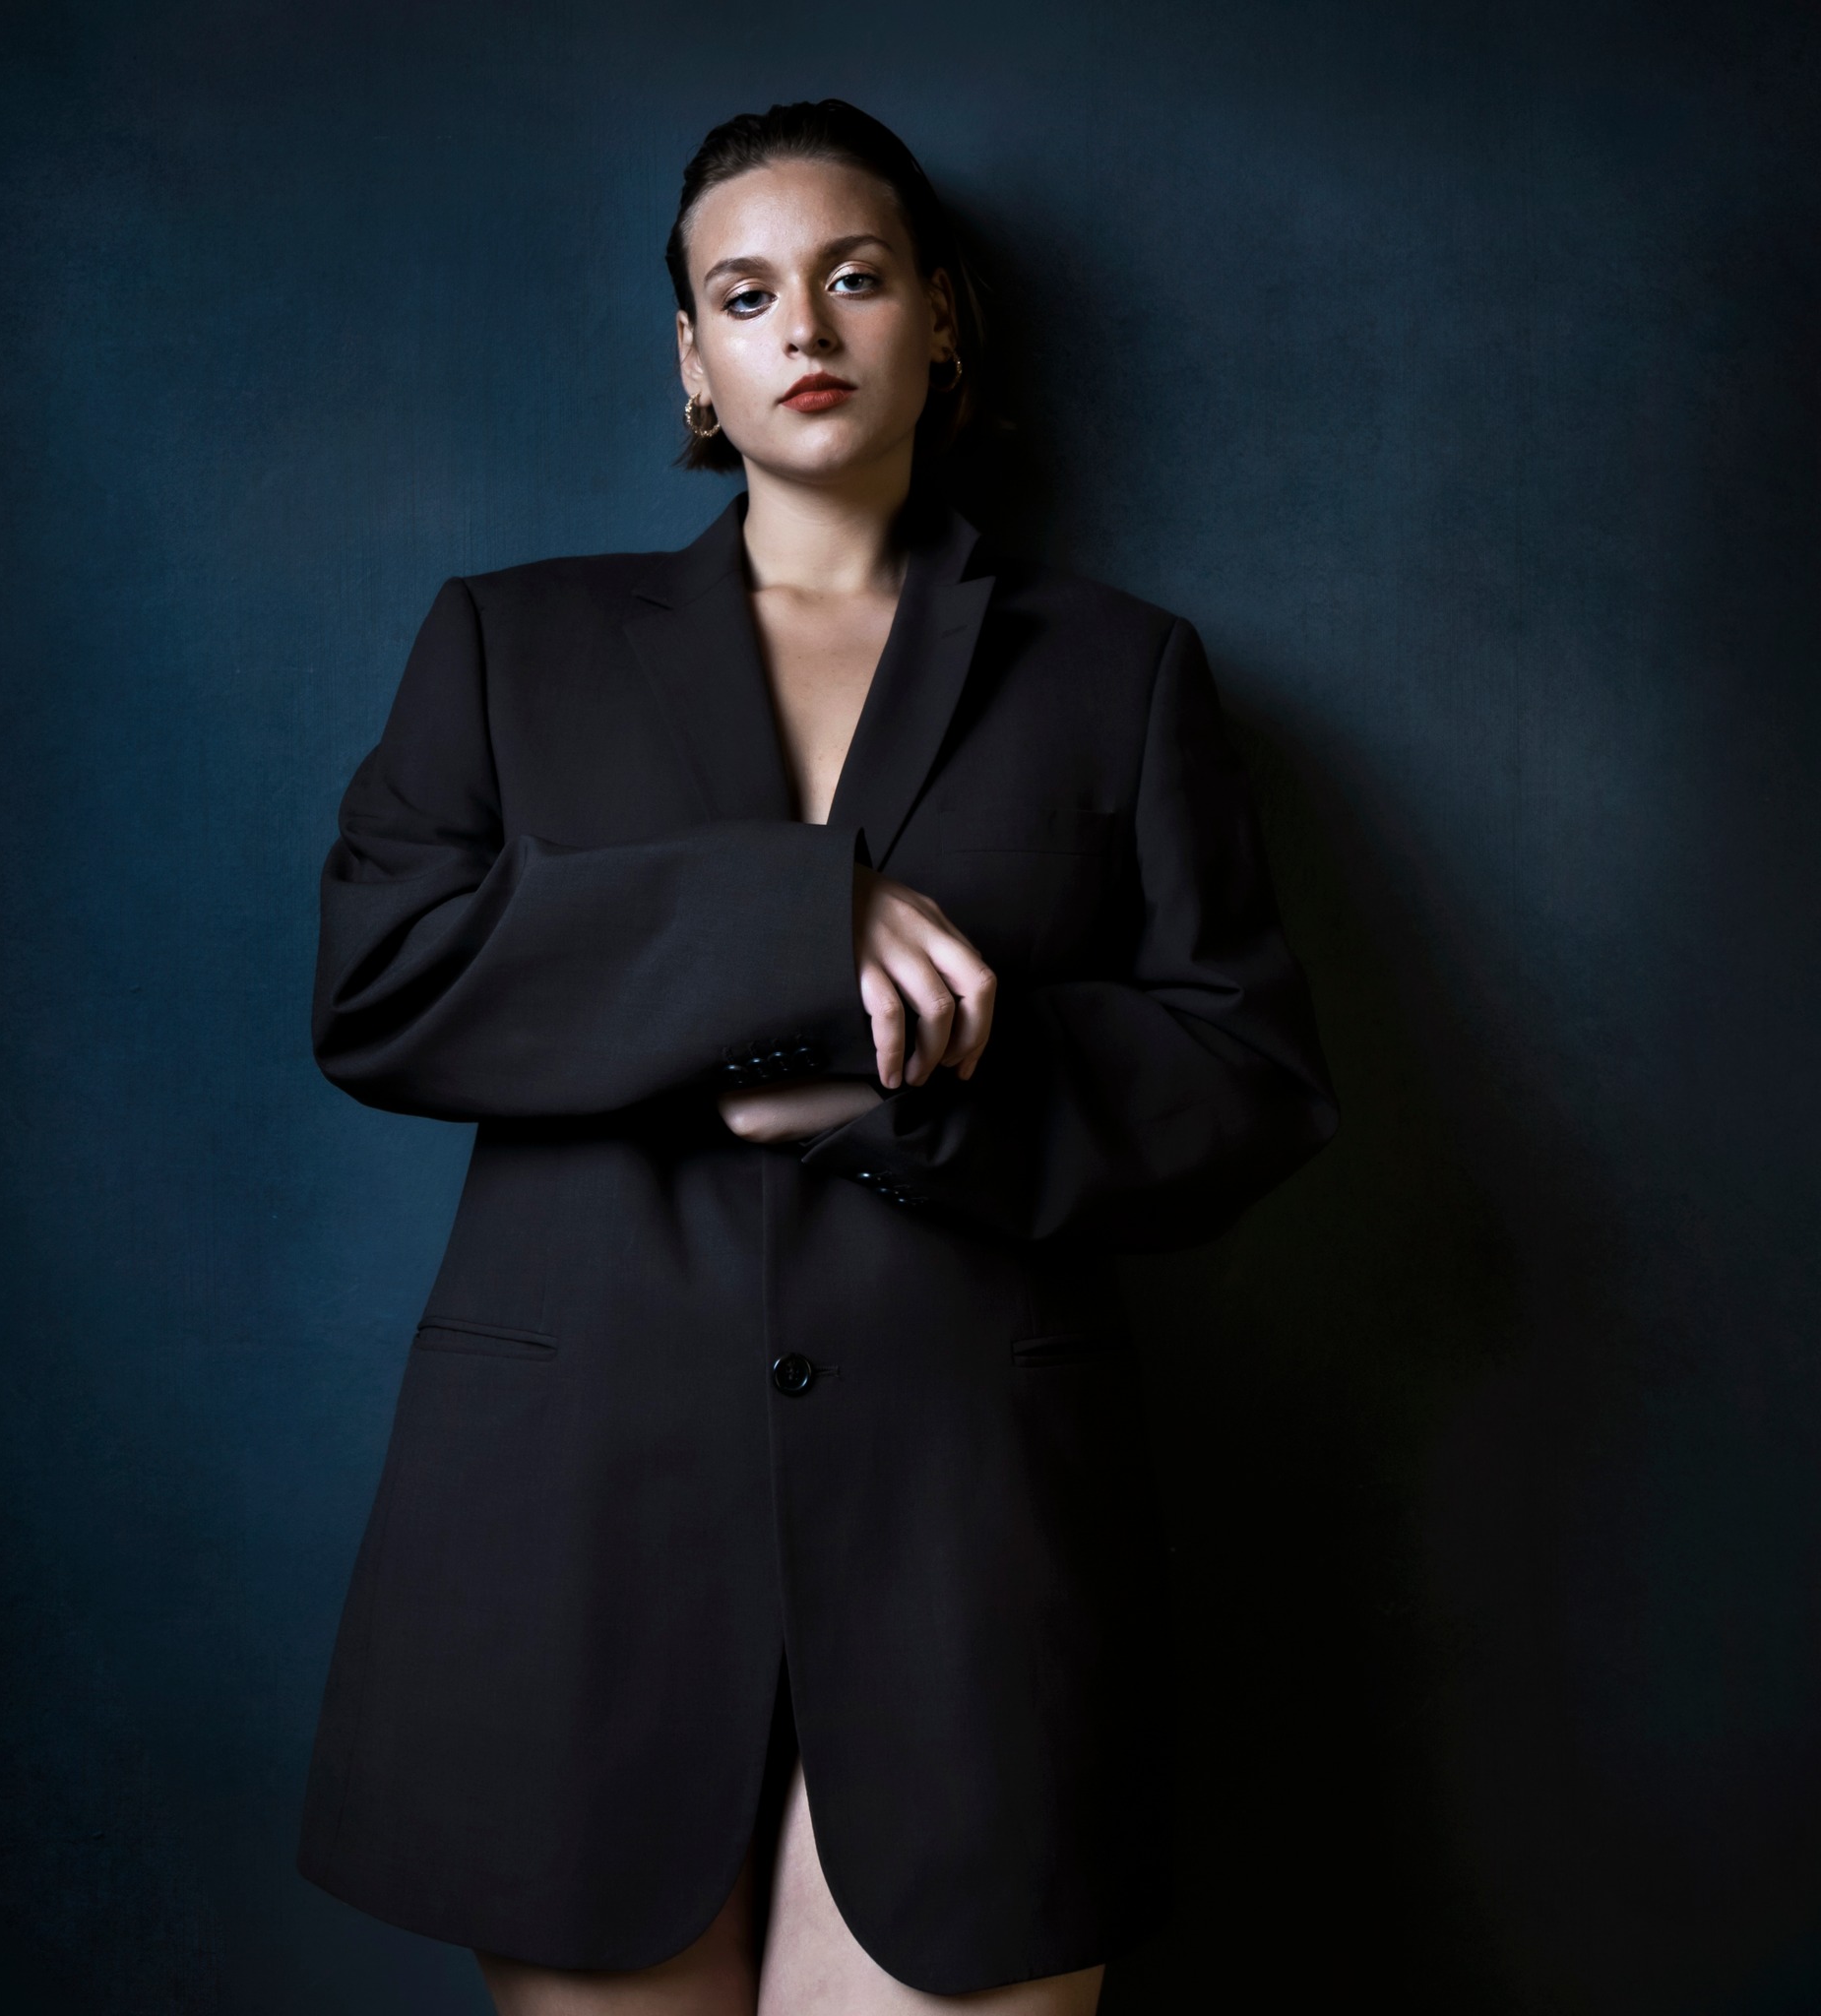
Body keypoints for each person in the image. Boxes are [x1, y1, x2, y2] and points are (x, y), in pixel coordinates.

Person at [297, 98, 1337, 2016]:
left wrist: (907, 1097)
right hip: (577, 1528)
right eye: (746, 293)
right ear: (693, 362)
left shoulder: (1119, 669)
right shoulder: (509, 644)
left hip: (972, 1541)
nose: (805, 326)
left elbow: (1246, 1074)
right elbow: (381, 984)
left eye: (853, 277)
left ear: (938, 315)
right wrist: (793, 917)